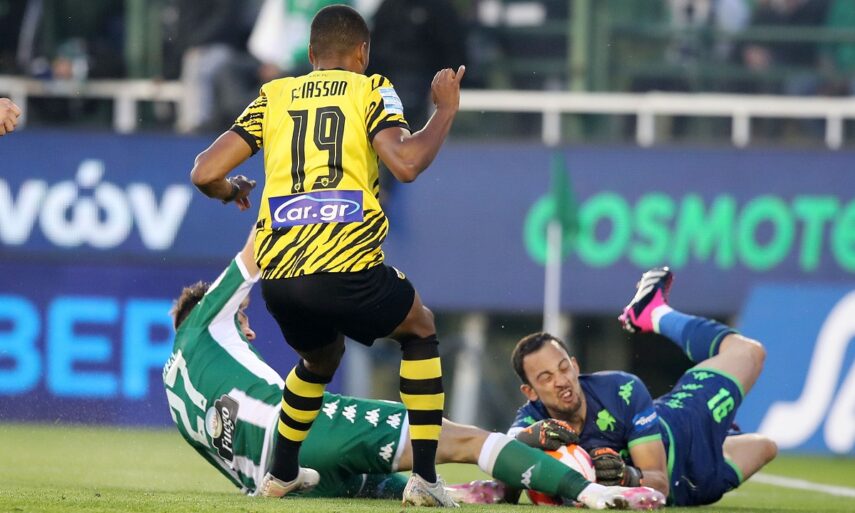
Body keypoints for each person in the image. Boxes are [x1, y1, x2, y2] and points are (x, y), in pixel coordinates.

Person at [163, 230, 666, 510]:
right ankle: (594, 493)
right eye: (244, 318)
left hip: (281, 479)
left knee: (376, 484)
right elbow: (258, 246)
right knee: (462, 440)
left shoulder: (172, 387)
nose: (250, 332)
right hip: (303, 433)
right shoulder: (209, 316)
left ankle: (468, 493)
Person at [189, 4, 468, 506]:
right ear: (363, 51)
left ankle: (281, 473)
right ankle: (426, 480)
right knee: (420, 328)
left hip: (279, 278)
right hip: (344, 265)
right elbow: (406, 164)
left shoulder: (275, 95)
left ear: (311, 54)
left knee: (320, 357)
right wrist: (445, 110)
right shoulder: (371, 89)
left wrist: (231, 191)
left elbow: (204, 171)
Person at [507, 267, 778, 507]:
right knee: (766, 447)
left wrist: (627, 476)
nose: (561, 380)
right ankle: (724, 435)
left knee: (749, 353)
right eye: (546, 378)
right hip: (691, 490)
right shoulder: (532, 422)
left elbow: (658, 481)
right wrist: (522, 446)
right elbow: (505, 461)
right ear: (530, 392)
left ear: (575, 366)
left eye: (564, 368)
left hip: (686, 429)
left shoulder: (621, 390)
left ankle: (654, 313)